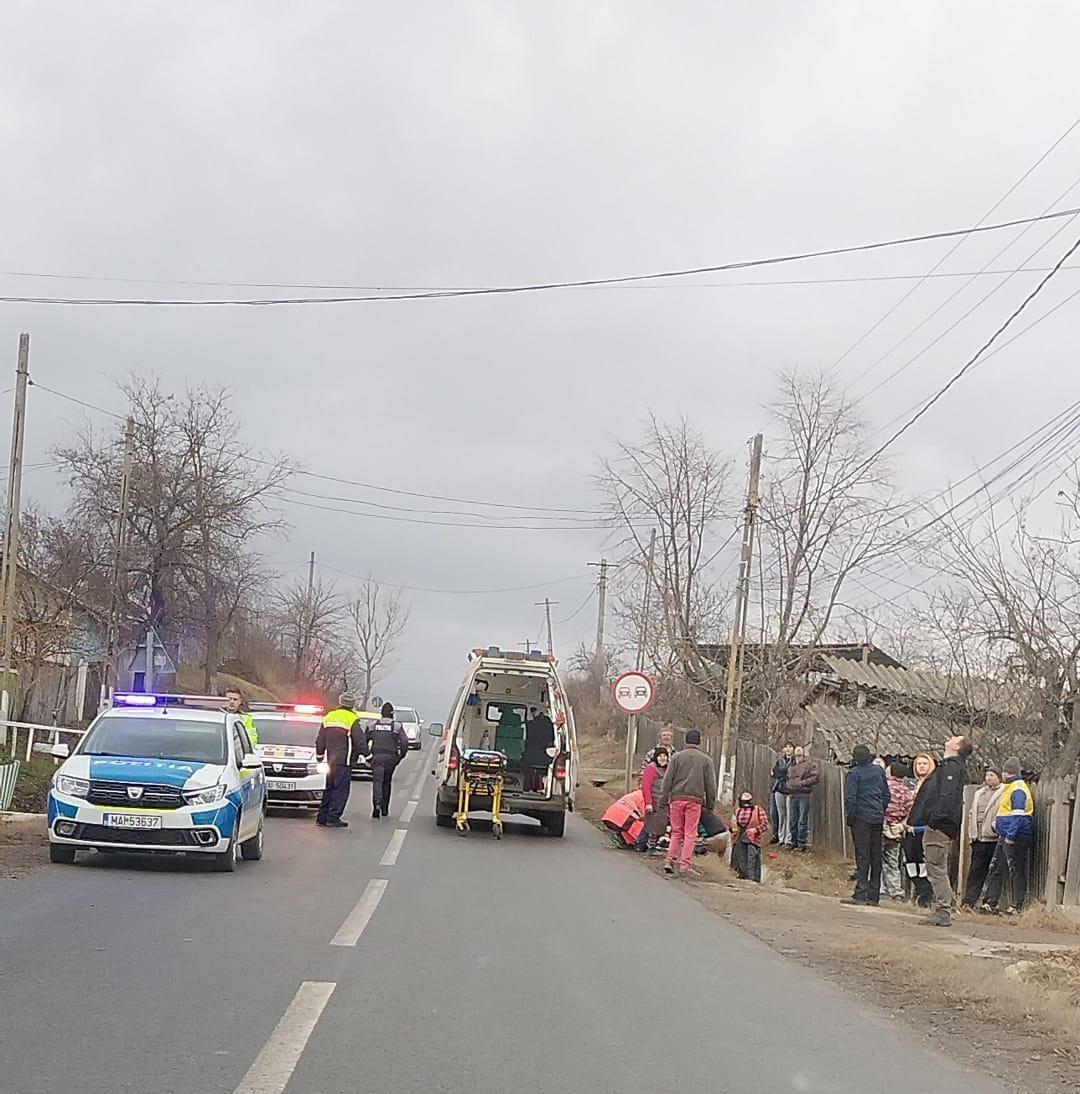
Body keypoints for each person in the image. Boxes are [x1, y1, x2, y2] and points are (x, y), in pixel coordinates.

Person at [908, 734, 973, 927]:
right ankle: (945, 907)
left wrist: (935, 819)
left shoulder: (952, 767)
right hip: (938, 824)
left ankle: (943, 910)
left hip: (939, 826)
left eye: (955, 738)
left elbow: (946, 795)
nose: (950, 738)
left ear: (957, 746)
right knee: (935, 867)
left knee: (936, 868)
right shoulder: (948, 766)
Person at [657, 728, 717, 877]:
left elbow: (667, 780)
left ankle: (669, 860)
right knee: (690, 833)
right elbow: (711, 786)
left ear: (685, 741)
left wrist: (663, 799)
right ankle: (685, 864)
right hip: (694, 801)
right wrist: (710, 805)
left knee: (676, 831)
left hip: (676, 799)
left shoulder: (676, 758)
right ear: (699, 742)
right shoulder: (706, 760)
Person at [983, 757, 1034, 915]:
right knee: (997, 867)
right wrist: (997, 826)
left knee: (1015, 869)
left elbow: (1018, 815)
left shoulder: (1017, 788)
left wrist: (1010, 835)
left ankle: (1016, 905)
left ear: (1006, 773)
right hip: (1005, 834)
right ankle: (990, 902)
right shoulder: (1010, 787)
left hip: (1016, 836)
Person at [843, 744, 891, 906]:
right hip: (877, 817)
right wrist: (880, 809)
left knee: (863, 855)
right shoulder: (878, 771)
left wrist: (851, 818)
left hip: (861, 818)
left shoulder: (854, 774)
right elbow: (886, 795)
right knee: (876, 855)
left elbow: (850, 799)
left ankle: (860, 892)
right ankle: (874, 894)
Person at [314, 691, 366, 828]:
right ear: (352, 705)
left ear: (340, 702)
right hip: (344, 761)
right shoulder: (352, 719)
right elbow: (359, 741)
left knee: (329, 788)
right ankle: (333, 817)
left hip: (330, 760)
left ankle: (322, 817)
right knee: (341, 790)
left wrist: (320, 756)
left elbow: (320, 739)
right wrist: (368, 756)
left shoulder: (329, 717)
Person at [961, 768, 1004, 909]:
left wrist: (995, 828)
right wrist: (971, 832)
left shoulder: (1003, 792)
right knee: (975, 870)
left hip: (993, 838)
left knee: (994, 871)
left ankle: (989, 902)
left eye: (992, 775)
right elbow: (971, 813)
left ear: (999, 777)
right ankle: (969, 901)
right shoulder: (979, 793)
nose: (989, 778)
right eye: (987, 775)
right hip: (978, 838)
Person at [902, 752, 937, 907]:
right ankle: (918, 890)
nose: (921, 766)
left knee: (923, 863)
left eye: (925, 763)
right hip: (908, 829)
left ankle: (925, 895)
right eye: (919, 764)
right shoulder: (910, 785)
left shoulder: (933, 785)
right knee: (910, 862)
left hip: (923, 829)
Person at [365, 701, 410, 818]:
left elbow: (364, 741)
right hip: (390, 759)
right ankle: (384, 808)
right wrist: (400, 756)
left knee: (377, 781)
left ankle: (376, 805)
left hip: (376, 757)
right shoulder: (396, 726)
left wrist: (367, 756)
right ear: (392, 714)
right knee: (387, 782)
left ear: (381, 713)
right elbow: (404, 742)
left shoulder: (373, 725)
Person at [882, 761, 915, 903]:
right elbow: (910, 812)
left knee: (877, 859)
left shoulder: (885, 787)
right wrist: (901, 825)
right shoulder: (907, 791)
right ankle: (896, 891)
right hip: (897, 829)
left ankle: (881, 889)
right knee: (893, 861)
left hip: (882, 827)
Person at [784, 745, 821, 851]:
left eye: (800, 755)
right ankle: (793, 841)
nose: (798, 757)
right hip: (792, 794)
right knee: (793, 819)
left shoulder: (809, 764)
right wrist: (788, 785)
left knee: (802, 820)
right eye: (797, 755)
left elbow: (815, 777)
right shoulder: (791, 765)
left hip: (803, 794)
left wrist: (802, 783)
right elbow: (786, 778)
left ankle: (801, 843)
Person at [731, 791, 770, 882]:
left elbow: (765, 824)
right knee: (739, 859)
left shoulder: (758, 810)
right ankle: (741, 878)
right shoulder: (738, 811)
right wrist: (733, 829)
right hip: (740, 837)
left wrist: (756, 830)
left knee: (752, 859)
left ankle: (753, 880)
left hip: (754, 839)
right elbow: (733, 824)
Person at [640, 746, 671, 852]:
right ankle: (649, 846)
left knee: (661, 824)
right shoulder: (651, 769)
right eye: (660, 756)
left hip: (664, 802)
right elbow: (646, 786)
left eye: (664, 756)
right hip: (654, 800)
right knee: (653, 825)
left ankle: (645, 844)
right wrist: (648, 803)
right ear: (656, 757)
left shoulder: (669, 769)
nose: (662, 758)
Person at [523, 706, 556, 791]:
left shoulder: (531, 725)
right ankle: (538, 786)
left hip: (531, 756)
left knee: (528, 768)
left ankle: (528, 786)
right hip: (544, 757)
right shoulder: (550, 728)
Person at [769, 742, 796, 846]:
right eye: (786, 747)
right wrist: (782, 774)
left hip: (790, 790)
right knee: (781, 815)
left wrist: (783, 774)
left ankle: (788, 839)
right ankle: (781, 837)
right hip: (779, 789)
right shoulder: (780, 761)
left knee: (790, 815)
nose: (788, 749)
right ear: (784, 749)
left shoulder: (795, 761)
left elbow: (792, 774)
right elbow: (774, 772)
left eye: (790, 747)